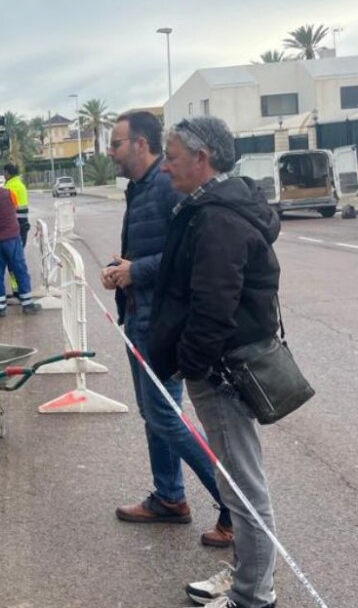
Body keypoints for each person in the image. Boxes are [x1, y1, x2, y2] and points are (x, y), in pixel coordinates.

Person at [149, 116, 282, 608]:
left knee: (243, 485)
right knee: (233, 477)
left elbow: (213, 307)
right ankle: (247, 577)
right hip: (225, 365)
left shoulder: (218, 219)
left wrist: (190, 362)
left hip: (223, 370)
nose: (166, 167)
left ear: (202, 160)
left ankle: (253, 595)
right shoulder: (218, 206)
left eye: (173, 156)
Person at [102, 112, 234, 549]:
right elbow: (149, 250)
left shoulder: (163, 188)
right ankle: (169, 496)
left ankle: (232, 507)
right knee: (153, 414)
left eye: (116, 143)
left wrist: (136, 270)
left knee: (163, 415)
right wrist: (122, 270)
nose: (110, 151)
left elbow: (183, 257)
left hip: (158, 323)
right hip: (139, 315)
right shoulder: (140, 189)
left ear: (140, 144)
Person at [0, 171, 41, 317]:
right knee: (19, 269)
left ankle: (1, 308)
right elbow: (14, 208)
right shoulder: (8, 193)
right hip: (11, 238)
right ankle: (27, 304)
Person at [2, 163, 31, 245]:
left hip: (13, 222)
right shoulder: (21, 186)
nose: (4, 175)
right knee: (21, 247)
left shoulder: (8, 187)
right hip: (24, 222)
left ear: (7, 172)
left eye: (4, 173)